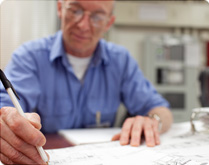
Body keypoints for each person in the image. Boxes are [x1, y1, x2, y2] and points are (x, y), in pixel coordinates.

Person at [0, 0, 173, 164]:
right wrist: (9, 122)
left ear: (108, 22)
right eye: (76, 10)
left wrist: (153, 120)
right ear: (60, 8)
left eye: (97, 16)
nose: (83, 25)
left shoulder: (121, 60)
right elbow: (5, 109)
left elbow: (161, 110)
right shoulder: (29, 57)